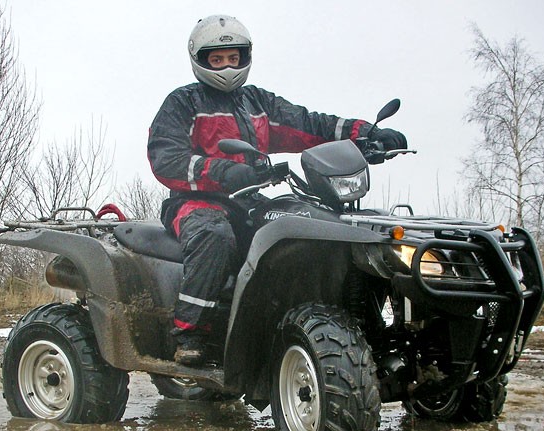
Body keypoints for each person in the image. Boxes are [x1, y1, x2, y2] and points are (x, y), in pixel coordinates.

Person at [147, 14, 407, 365]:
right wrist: (221, 171)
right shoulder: (183, 103)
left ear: (245, 57)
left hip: (249, 201)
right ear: (201, 59)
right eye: (218, 59)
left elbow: (309, 123)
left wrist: (365, 134)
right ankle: (190, 333)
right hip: (195, 202)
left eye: (233, 57)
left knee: (303, 228)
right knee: (215, 236)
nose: (227, 65)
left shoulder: (257, 103)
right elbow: (166, 158)